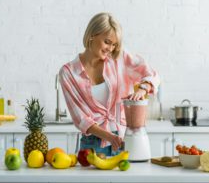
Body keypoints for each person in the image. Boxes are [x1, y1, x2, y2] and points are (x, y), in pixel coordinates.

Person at [59, 12, 160, 156]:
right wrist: (109, 137)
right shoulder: (68, 73)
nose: (110, 49)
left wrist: (143, 89)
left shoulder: (119, 59)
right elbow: (81, 119)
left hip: (125, 138)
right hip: (92, 144)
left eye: (114, 45)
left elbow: (152, 74)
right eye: (107, 42)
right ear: (92, 35)